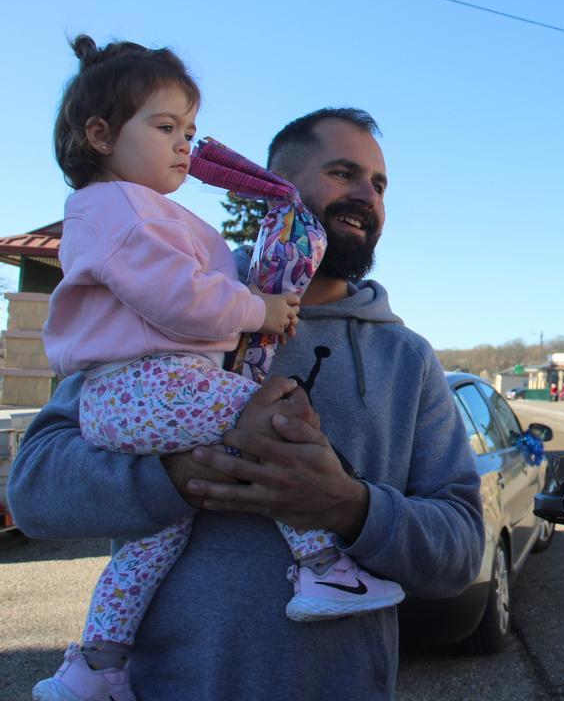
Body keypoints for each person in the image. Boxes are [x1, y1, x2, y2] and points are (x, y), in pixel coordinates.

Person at [10, 105, 485, 700]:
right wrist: (180, 477)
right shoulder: (159, 305)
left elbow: (460, 552)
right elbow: (36, 492)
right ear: (272, 187)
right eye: (343, 173)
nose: (368, 196)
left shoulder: (407, 359)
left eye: (380, 185)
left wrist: (348, 506)